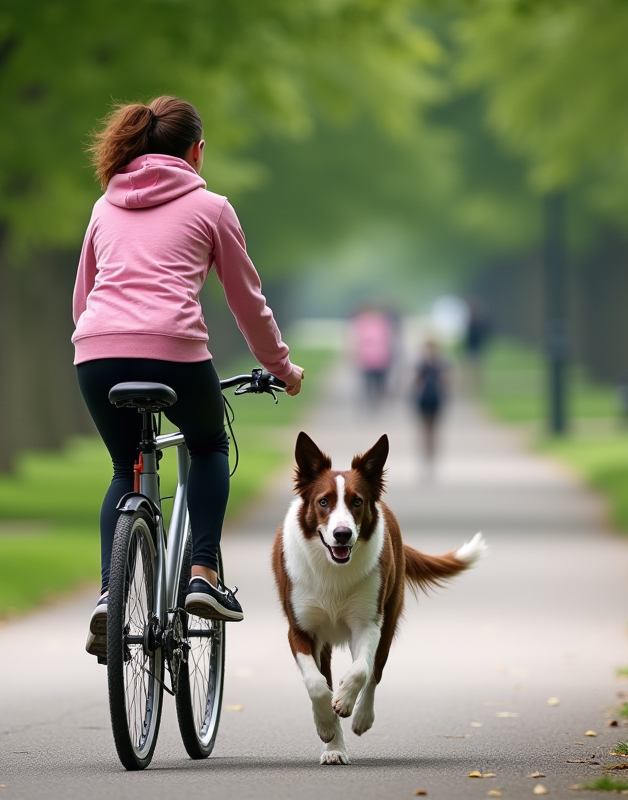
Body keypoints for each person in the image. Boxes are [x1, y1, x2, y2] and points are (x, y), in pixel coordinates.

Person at [73, 96, 304, 657]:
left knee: (122, 467)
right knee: (207, 446)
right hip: (174, 351)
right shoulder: (212, 207)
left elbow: (83, 297)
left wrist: (103, 344)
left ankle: (110, 594)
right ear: (196, 152)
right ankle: (202, 574)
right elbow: (248, 303)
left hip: (97, 354)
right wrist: (282, 368)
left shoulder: (105, 205)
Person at [350, 305, 395, 410]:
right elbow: (356, 340)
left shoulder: (384, 323)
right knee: (368, 382)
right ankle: (370, 400)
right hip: (366, 357)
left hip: (381, 357)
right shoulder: (362, 323)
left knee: (380, 382)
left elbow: (389, 339)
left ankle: (377, 398)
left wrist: (389, 353)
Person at [414, 339, 447, 478]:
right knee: (426, 430)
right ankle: (426, 457)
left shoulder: (440, 365)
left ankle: (431, 457)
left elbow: (447, 381)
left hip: (435, 399)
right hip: (424, 400)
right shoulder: (423, 365)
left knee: (433, 430)